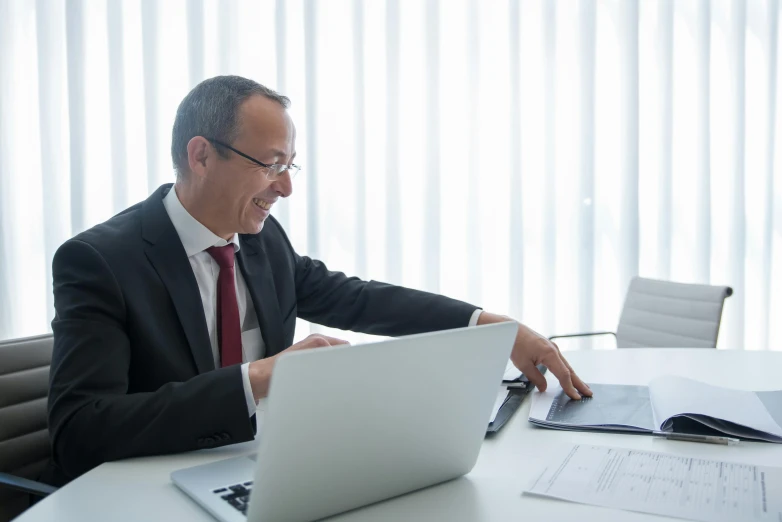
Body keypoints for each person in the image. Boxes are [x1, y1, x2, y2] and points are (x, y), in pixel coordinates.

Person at [44, 75, 591, 486]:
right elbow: (80, 433)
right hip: (152, 489)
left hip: (270, 470)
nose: (284, 188)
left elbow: (357, 298)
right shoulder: (100, 261)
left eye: (291, 166)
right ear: (201, 155)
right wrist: (260, 379)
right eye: (270, 164)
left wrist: (487, 325)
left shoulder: (260, 239)